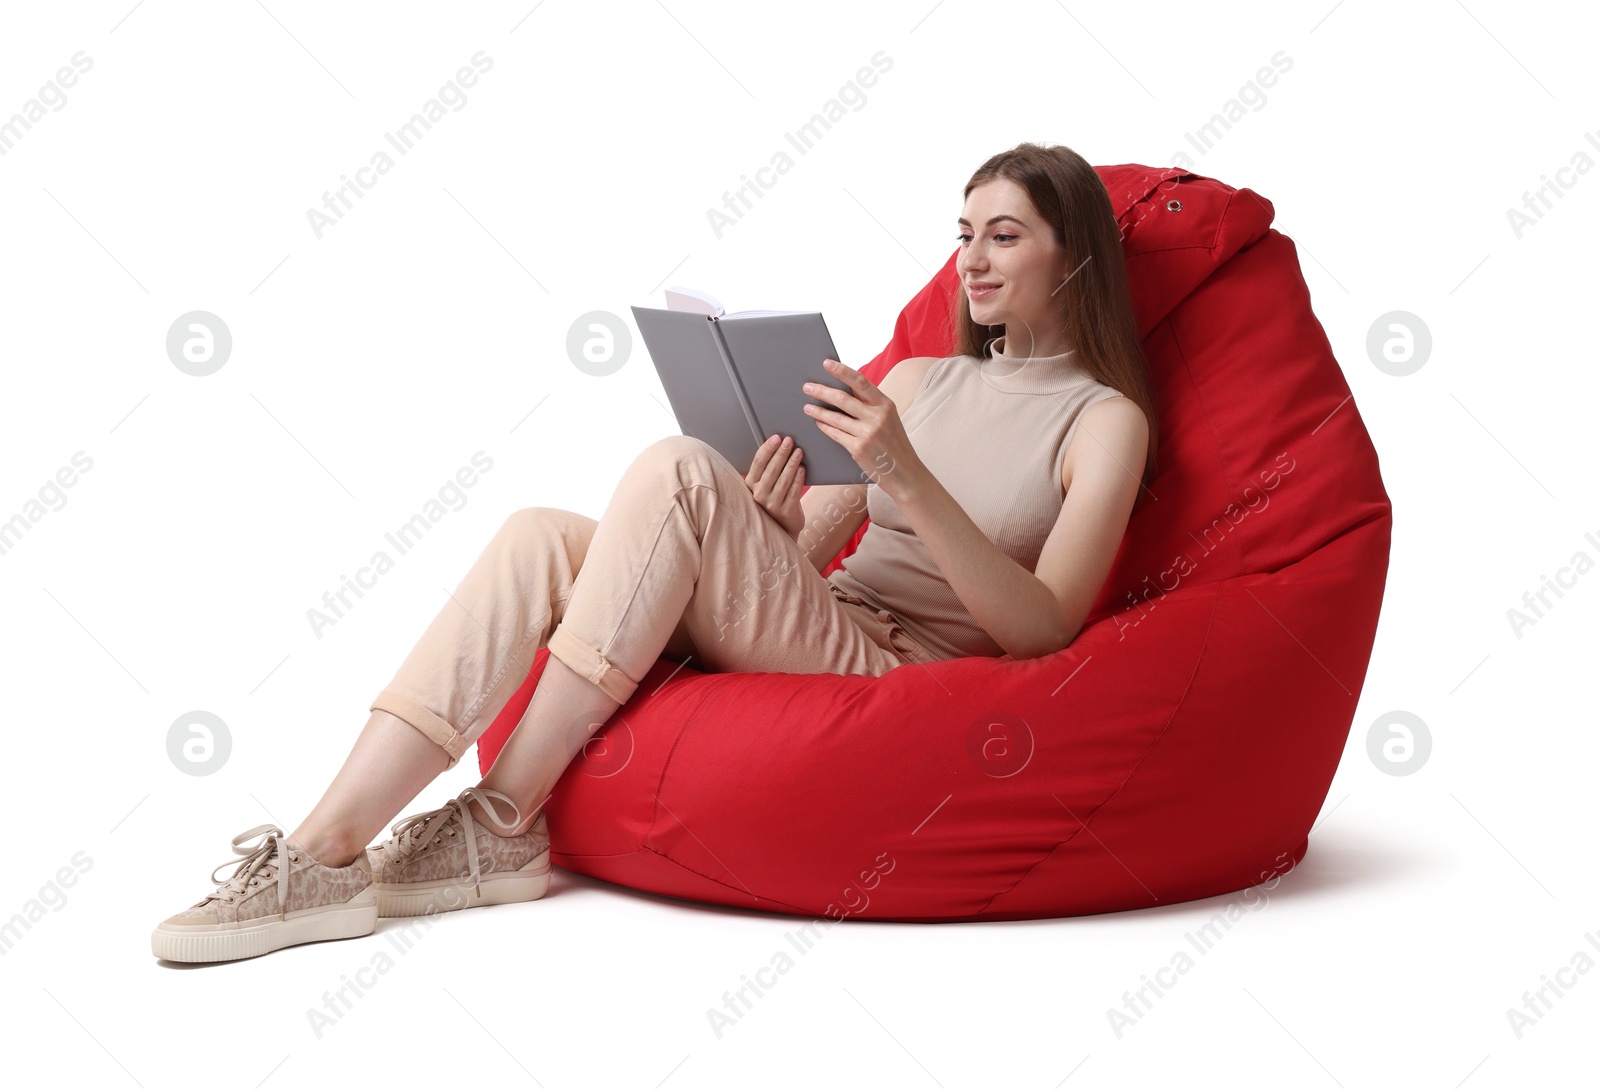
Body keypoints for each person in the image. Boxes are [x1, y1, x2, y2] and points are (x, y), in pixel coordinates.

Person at [150, 141, 1158, 963]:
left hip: (906, 669)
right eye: (964, 234)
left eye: (1005, 236)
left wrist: (902, 473)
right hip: (829, 620)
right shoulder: (925, 378)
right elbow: (807, 566)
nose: (972, 260)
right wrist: (770, 524)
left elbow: (1045, 626)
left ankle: (504, 812)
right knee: (538, 534)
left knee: (677, 471)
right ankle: (323, 848)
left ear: (1071, 258)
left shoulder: (1102, 421)